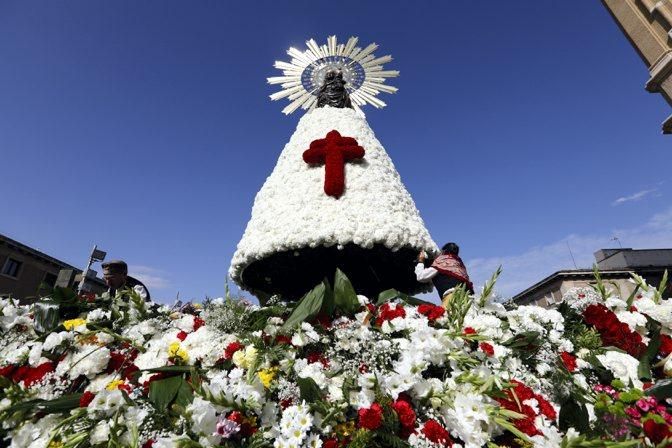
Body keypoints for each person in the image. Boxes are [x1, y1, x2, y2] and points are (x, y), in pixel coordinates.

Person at [415, 242, 473, 307]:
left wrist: (420, 261)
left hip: (452, 298)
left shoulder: (442, 261)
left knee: (444, 316)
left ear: (444, 251)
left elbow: (421, 276)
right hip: (468, 301)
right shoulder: (459, 265)